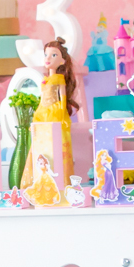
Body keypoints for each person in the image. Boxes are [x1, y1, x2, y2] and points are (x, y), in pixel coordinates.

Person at [29, 37, 78, 180]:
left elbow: (62, 97)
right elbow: (43, 97)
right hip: (43, 110)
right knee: (42, 143)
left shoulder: (59, 79)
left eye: (54, 55)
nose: (48, 58)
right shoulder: (46, 78)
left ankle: (58, 175)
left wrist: (62, 113)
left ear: (62, 61)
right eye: (46, 55)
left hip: (54, 111)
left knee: (55, 141)